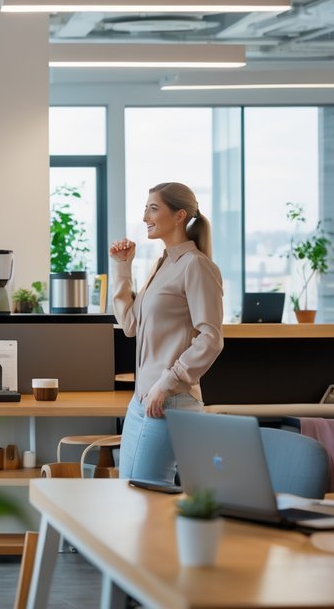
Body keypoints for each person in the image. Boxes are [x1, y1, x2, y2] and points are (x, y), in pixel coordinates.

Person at [110, 182, 224, 484]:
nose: (145, 215)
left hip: (170, 400)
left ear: (179, 215)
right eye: (145, 207)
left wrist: (166, 383)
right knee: (128, 495)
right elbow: (130, 325)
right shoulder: (161, 265)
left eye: (154, 207)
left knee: (148, 500)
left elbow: (211, 338)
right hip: (141, 401)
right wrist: (123, 268)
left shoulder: (196, 266)